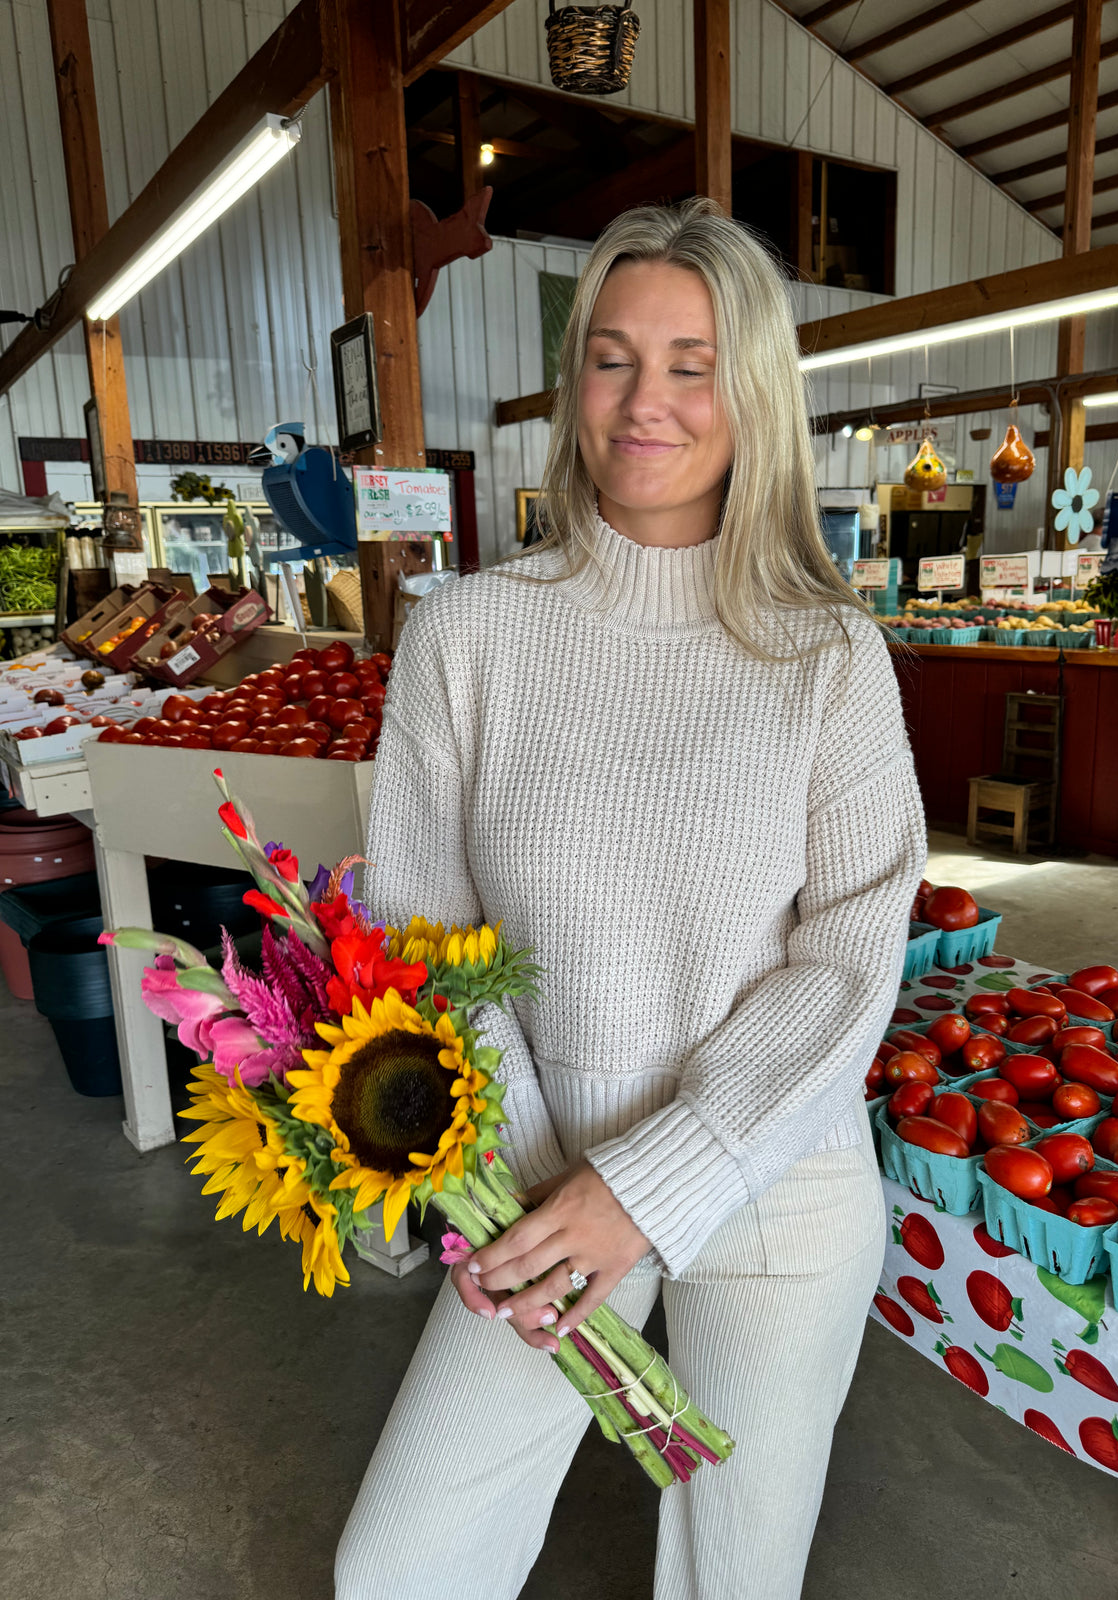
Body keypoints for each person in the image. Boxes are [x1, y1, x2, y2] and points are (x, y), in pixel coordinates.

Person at [336, 198, 926, 1600]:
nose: (644, 401)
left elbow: (848, 958)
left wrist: (656, 1187)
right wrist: (547, 1196)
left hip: (775, 1185)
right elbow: (422, 940)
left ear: (755, 393)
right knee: (403, 1567)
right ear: (573, 385)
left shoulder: (829, 655)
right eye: (611, 358)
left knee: (737, 1574)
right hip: (528, 1186)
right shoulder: (468, 634)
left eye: (691, 361)